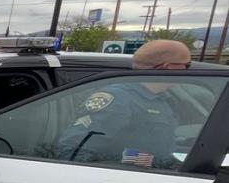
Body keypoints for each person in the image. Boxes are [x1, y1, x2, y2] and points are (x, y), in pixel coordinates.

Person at [56, 39, 191, 168]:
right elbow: (74, 151)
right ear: (168, 67)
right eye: (187, 65)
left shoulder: (161, 99)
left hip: (157, 176)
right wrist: (136, 160)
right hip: (123, 182)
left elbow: (158, 146)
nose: (188, 70)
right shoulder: (119, 99)